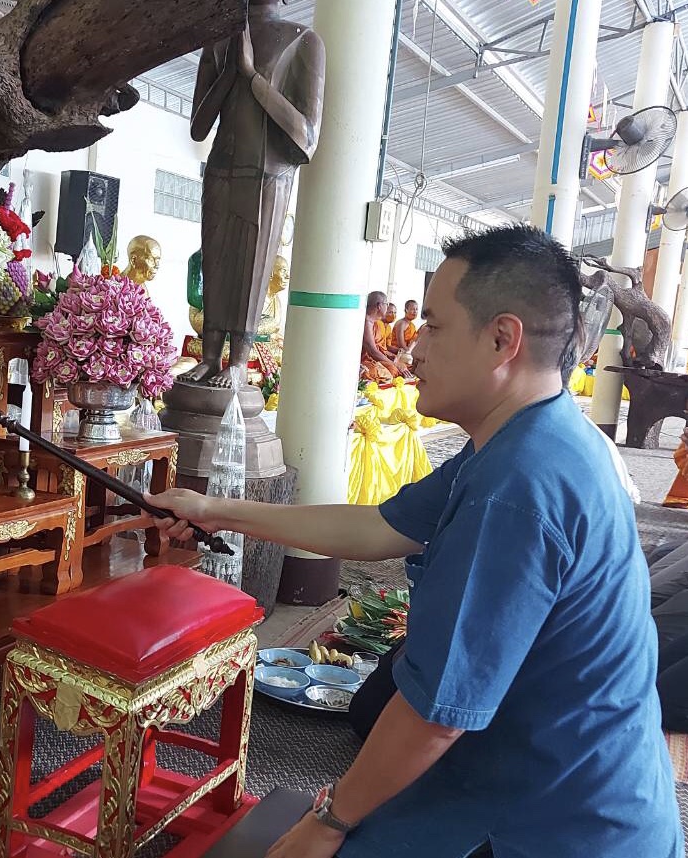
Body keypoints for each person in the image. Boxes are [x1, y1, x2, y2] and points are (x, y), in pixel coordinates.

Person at [146, 224, 682, 858]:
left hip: (555, 823)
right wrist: (214, 510)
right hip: (525, 773)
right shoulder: (531, 436)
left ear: (502, 339)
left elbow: (436, 713)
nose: (414, 349)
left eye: (433, 325)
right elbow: (379, 526)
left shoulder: (518, 487)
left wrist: (328, 822)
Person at [179, 0, 325, 389]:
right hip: (220, 166)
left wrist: (252, 77)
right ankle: (210, 356)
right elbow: (198, 127)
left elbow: (307, 137)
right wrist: (229, 72)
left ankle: (239, 361)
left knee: (252, 266)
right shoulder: (219, 41)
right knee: (216, 262)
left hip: (268, 173)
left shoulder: (303, 40)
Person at [360, 291, 406, 382]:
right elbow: (372, 351)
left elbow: (380, 348)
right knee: (392, 369)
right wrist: (394, 364)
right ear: (379, 306)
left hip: (373, 359)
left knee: (398, 367)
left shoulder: (375, 323)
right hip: (362, 361)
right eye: (386, 304)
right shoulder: (366, 322)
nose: (387, 307)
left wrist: (390, 357)